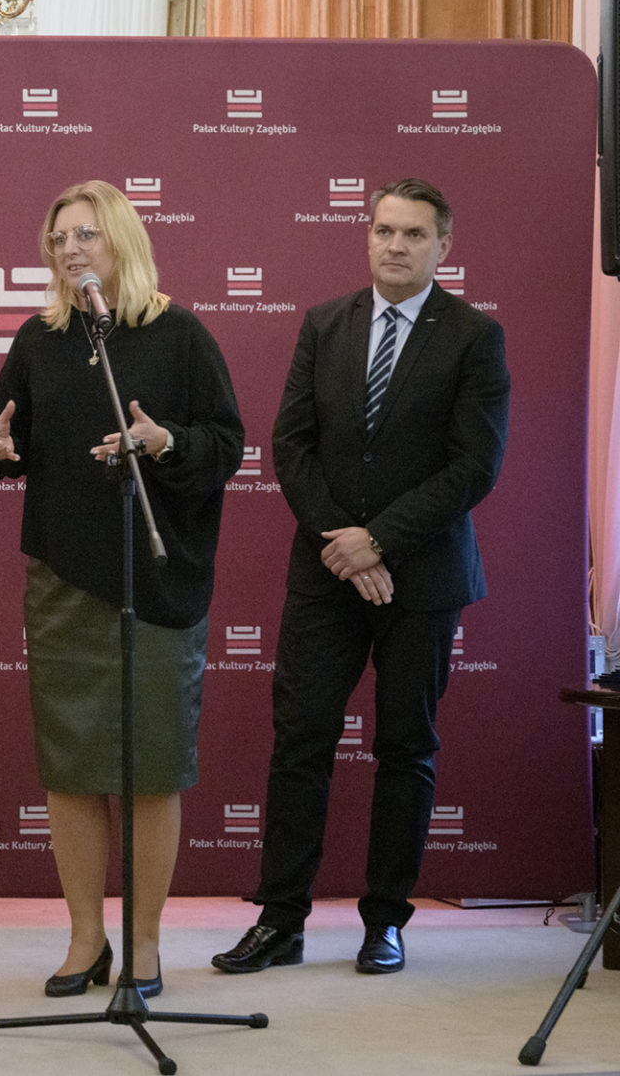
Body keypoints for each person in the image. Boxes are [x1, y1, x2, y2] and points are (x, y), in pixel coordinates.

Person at [212, 178, 509, 977]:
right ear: (367, 235)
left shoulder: (474, 337)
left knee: (406, 747)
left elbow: (475, 465)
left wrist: (378, 541)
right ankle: (280, 922)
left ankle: (386, 923)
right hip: (326, 573)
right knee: (300, 740)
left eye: (414, 234)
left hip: (425, 577)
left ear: (444, 246)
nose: (395, 245)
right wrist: (343, 545)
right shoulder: (324, 323)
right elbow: (291, 444)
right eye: (384, 230)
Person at [0, 180, 243, 998]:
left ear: (121, 241)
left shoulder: (180, 334)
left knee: (150, 767)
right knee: (72, 766)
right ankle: (86, 937)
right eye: (59, 239)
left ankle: (144, 942)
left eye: (85, 235)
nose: (70, 250)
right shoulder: (40, 339)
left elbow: (226, 444)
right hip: (63, 579)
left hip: (156, 579)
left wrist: (164, 441)